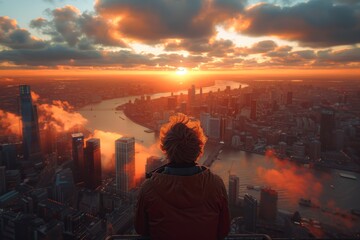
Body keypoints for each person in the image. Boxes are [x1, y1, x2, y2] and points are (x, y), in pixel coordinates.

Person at [135, 113, 230, 240]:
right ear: (199, 148)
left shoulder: (149, 188)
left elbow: (141, 229)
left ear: (166, 149)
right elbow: (224, 230)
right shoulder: (216, 185)